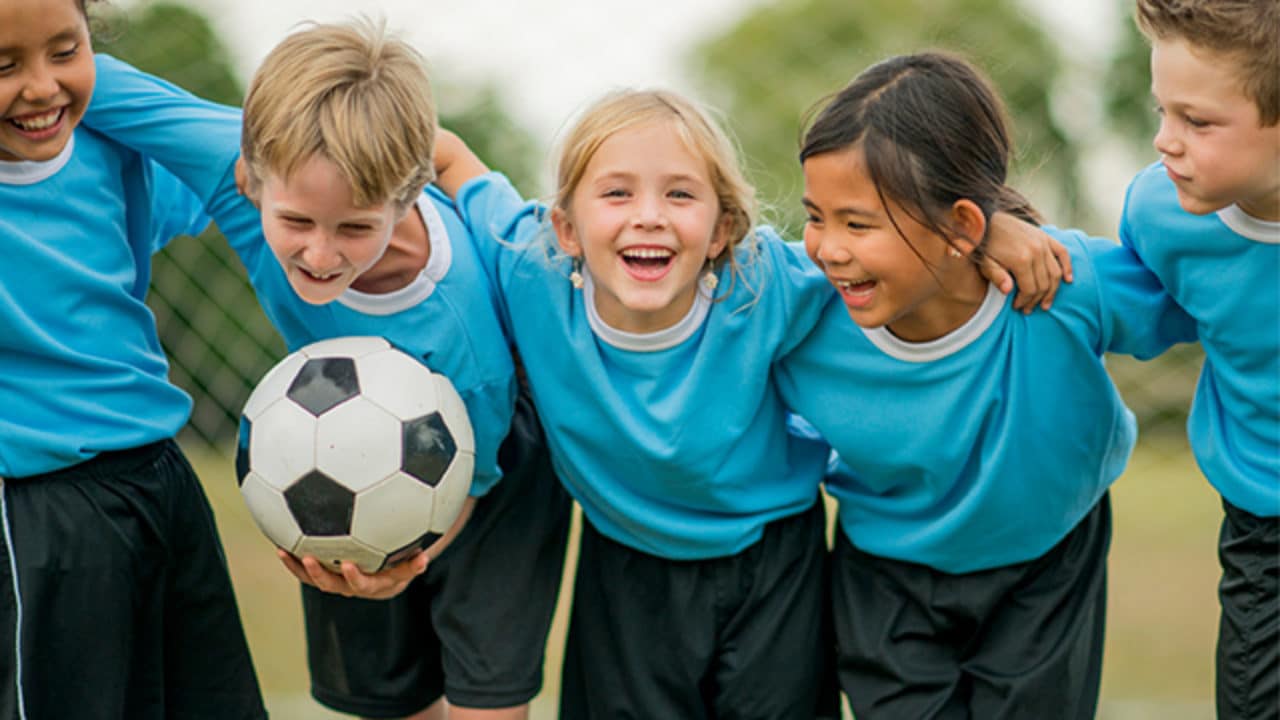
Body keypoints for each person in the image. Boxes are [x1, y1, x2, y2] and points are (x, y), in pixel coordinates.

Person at [431, 83, 1069, 718]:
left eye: (679, 193)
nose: (648, 214)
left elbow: (892, 244)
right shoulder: (529, 268)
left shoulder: (762, 283)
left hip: (772, 566)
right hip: (627, 566)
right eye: (618, 192)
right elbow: (449, 156)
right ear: (566, 228)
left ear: (722, 230)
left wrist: (990, 230)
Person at [83, 20, 571, 720]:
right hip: (330, 432)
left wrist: (392, 567)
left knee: (482, 699)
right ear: (252, 179)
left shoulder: (458, 332)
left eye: (354, 228)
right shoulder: (237, 164)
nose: (319, 253)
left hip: (487, 466)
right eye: (297, 222)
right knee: (384, 698)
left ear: (405, 199)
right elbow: (87, 82)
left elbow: (469, 480)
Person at [773, 51, 1199, 719]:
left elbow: (1203, 297)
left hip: (1046, 562)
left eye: (857, 223)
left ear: (962, 224)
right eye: (816, 216)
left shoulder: (1060, 282)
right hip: (887, 575)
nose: (827, 246)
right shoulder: (796, 304)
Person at [0, 0, 268, 718]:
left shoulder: (107, 146)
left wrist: (104, 84)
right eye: (3, 65)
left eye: (65, 50)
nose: (39, 88)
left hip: (161, 479)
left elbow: (246, 159)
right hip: (38, 514)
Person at [1125, 2, 1279, 717]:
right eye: (1163, 112)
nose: (1165, 142)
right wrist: (1008, 239)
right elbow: (1123, 294)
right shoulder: (1160, 214)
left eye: (1198, 122)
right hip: (1263, 529)